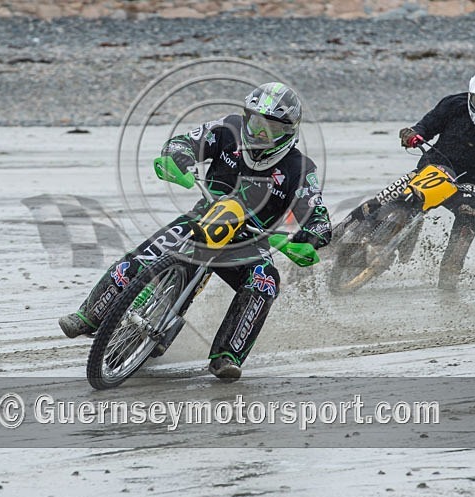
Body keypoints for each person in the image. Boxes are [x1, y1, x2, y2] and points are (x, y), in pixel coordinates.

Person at [58, 82, 332, 381]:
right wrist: (176, 160)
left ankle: (227, 355)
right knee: (144, 255)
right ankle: (89, 315)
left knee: (265, 281)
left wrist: (309, 239)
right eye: (256, 123)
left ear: (290, 131)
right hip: (204, 215)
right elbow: (183, 142)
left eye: (271, 129)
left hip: (251, 239)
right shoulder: (228, 128)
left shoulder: (301, 168)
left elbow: (316, 213)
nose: (260, 134)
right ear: (246, 116)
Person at [348, 66, 475, 290]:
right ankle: (339, 232)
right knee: (388, 196)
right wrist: (412, 134)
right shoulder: (453, 105)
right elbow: (427, 125)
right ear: (470, 94)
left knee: (469, 214)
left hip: (472, 185)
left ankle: (449, 276)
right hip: (435, 168)